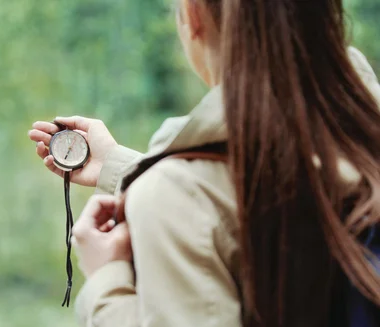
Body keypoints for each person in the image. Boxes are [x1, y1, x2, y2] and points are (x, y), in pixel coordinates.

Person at [28, 0, 380, 326]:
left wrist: (108, 283)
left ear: (193, 16)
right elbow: (254, 179)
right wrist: (118, 167)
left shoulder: (175, 199)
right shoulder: (362, 129)